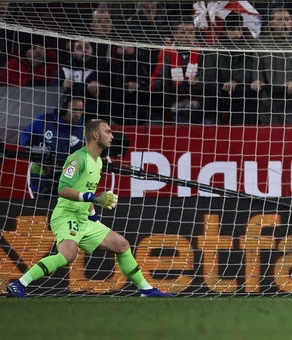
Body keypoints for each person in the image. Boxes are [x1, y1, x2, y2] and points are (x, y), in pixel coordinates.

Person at [5, 119, 173, 299]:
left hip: (84, 218)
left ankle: (146, 290)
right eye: (108, 132)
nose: (112, 136)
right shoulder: (78, 158)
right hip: (66, 216)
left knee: (122, 245)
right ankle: (19, 284)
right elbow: (63, 189)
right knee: (68, 254)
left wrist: (94, 218)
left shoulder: (98, 161)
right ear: (95, 135)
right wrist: (93, 198)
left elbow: (87, 191)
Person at [19, 96, 84, 197]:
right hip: (42, 182)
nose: (78, 115)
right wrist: (29, 143)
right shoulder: (44, 121)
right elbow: (25, 135)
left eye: (80, 111)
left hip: (70, 182)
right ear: (63, 109)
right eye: (74, 110)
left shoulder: (83, 129)